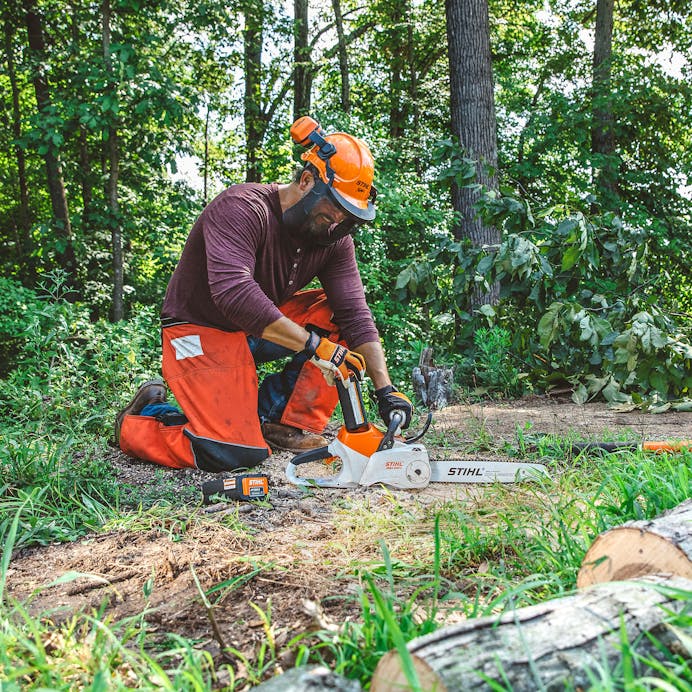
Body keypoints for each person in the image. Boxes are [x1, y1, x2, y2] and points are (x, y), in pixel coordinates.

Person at [115, 116, 413, 473]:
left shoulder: (333, 241)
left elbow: (355, 314)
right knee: (232, 451)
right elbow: (234, 294)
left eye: (348, 216)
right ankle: (142, 419)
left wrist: (385, 389)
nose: (338, 222)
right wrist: (315, 347)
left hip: (257, 327)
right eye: (334, 207)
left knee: (337, 317)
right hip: (199, 329)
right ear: (307, 181)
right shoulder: (242, 208)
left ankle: (281, 421)